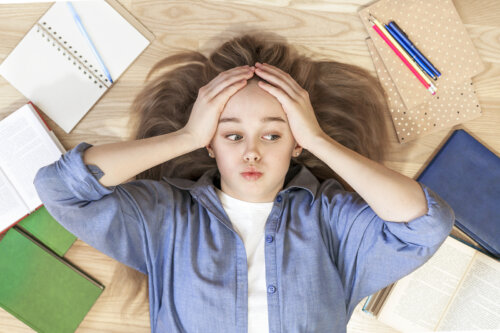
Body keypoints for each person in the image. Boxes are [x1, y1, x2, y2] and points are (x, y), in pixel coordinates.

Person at [33, 33, 455, 333]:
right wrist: (186, 137)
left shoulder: (331, 220)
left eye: (273, 135)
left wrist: (319, 140)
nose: (251, 152)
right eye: (232, 135)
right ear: (212, 145)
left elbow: (425, 225)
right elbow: (60, 188)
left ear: (295, 145)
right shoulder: (168, 219)